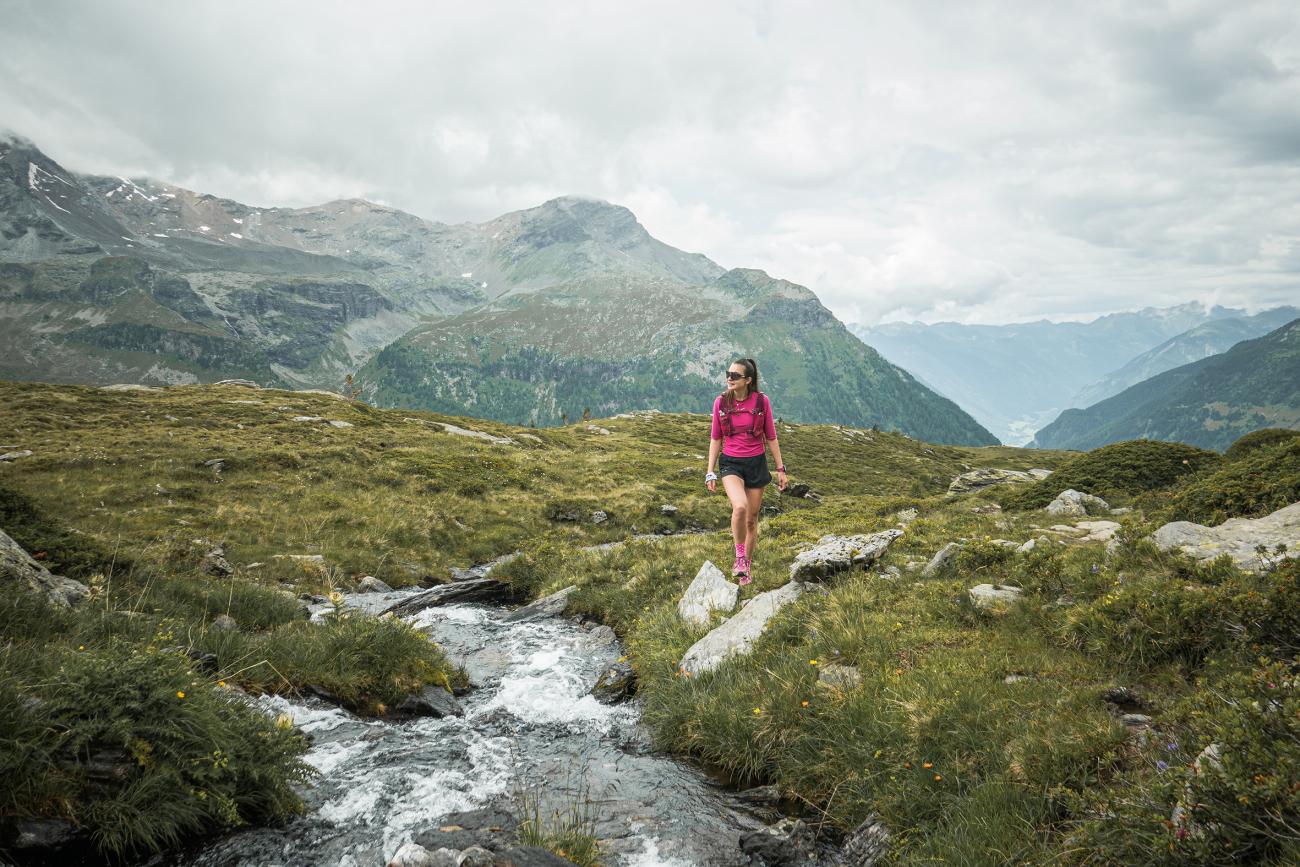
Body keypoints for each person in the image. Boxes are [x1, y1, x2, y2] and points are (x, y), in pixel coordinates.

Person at [705, 358, 787, 584]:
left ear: (748, 380)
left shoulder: (762, 402)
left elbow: (771, 436)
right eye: (728, 374)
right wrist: (710, 471)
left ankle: (746, 569)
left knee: (751, 520)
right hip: (731, 463)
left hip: (756, 463)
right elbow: (716, 438)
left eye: (735, 376)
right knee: (739, 506)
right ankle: (739, 557)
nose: (729, 379)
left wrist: (781, 469)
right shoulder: (720, 402)